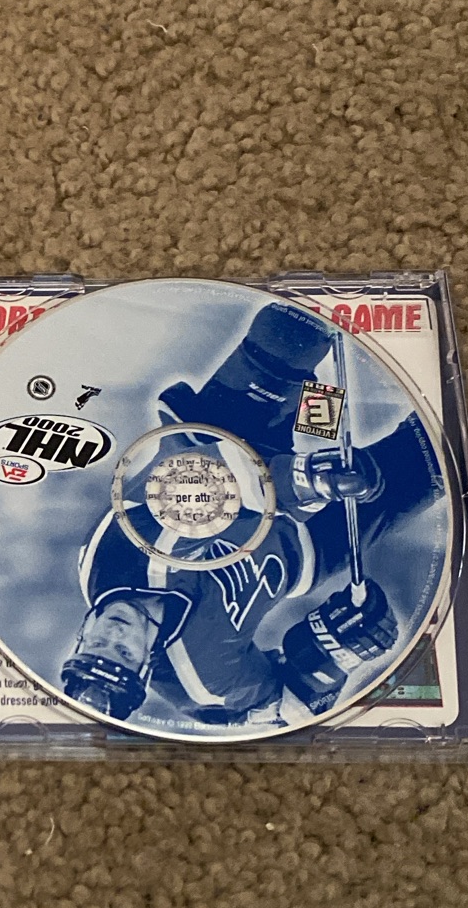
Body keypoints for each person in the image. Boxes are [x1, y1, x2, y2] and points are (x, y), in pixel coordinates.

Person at [58, 300, 441, 731]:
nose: (111, 634)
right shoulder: (201, 686)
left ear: (79, 643)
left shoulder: (114, 558)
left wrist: (307, 480)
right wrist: (333, 658)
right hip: (302, 547)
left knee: (289, 334)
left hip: (230, 442)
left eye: (95, 647)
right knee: (439, 460)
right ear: (145, 665)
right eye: (123, 653)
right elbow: (282, 712)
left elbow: (203, 484)